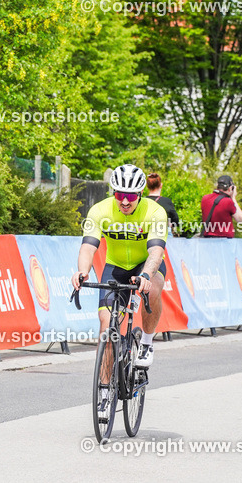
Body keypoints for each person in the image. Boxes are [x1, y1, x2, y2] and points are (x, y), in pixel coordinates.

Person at [71, 164, 169, 416]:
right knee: (107, 325)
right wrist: (82, 271)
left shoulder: (155, 212)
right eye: (119, 195)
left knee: (153, 289)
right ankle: (105, 390)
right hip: (116, 267)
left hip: (146, 264)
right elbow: (88, 248)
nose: (125, 201)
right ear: (113, 193)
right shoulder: (100, 211)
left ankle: (146, 342)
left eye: (131, 196)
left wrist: (146, 275)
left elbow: (156, 251)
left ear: (140, 194)